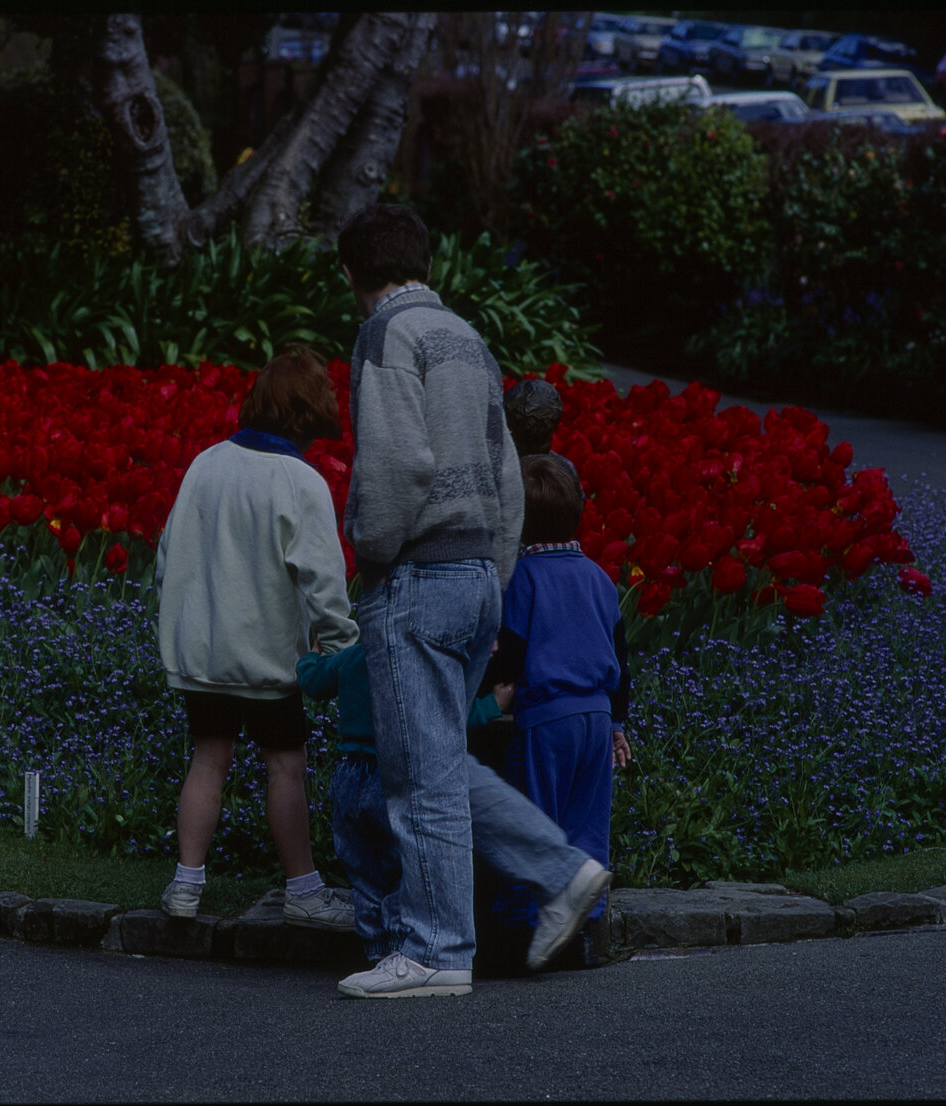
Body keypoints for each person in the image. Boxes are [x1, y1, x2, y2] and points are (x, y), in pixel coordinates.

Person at [334, 203, 610, 998]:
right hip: (475, 578)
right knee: (440, 764)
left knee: (417, 778)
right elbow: (503, 470)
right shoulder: (466, 337)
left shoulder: (387, 334)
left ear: (352, 273)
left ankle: (433, 949)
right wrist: (492, 575)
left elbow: (391, 464)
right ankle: (560, 871)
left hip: (416, 574)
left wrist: (373, 559)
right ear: (427, 261)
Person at [154, 344, 357, 933]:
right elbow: (323, 581)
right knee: (284, 766)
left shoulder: (205, 463)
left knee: (209, 758)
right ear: (310, 411)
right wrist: (341, 651)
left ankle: (186, 885)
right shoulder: (301, 480)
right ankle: (303, 890)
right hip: (269, 661)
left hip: (203, 654)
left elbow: (167, 557)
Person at [481, 452, 633, 965]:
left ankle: (521, 930)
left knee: (533, 821)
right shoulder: (599, 577)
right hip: (595, 715)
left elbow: (514, 652)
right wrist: (615, 724)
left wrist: (490, 688)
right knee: (587, 820)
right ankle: (585, 931)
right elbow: (620, 656)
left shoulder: (522, 578)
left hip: (546, 718)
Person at [297, 639, 514, 966]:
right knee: (402, 867)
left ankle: (374, 947)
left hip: (349, 776)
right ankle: (399, 948)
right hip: (392, 776)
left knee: (363, 870)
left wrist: (311, 654)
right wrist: (493, 704)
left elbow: (312, 681)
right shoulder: (411, 664)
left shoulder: (351, 657)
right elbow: (450, 717)